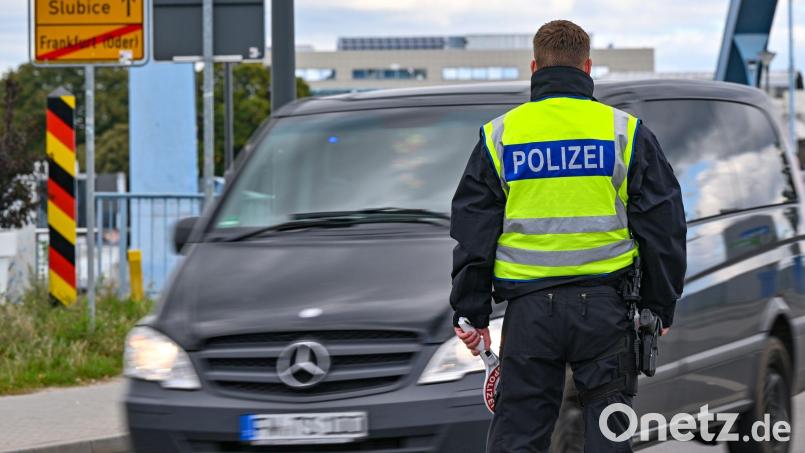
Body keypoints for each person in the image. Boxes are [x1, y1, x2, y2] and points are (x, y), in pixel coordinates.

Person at [449, 20, 686, 453]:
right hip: (605, 311)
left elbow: (473, 233)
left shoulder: (499, 135)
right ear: (588, 67)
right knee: (609, 435)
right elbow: (664, 225)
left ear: (535, 67)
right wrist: (660, 305)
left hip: (529, 316)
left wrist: (472, 313)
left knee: (519, 436)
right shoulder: (625, 133)